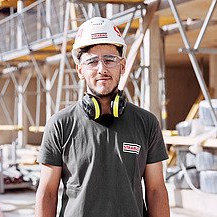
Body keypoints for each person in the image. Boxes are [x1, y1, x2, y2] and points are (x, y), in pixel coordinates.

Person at [35, 17, 170, 217]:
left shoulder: (146, 123)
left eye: (109, 59)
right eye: (92, 61)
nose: (102, 69)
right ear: (80, 70)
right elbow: (47, 193)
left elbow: (156, 190)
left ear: (122, 66)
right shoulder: (60, 124)